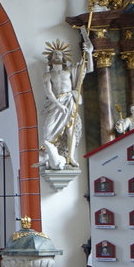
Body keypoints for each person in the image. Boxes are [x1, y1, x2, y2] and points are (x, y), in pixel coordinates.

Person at [39, 37, 92, 169]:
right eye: (55, 53)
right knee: (47, 131)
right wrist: (58, 105)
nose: (57, 55)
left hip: (69, 100)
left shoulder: (69, 71)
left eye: (60, 53)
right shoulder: (48, 75)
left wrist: (90, 53)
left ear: (63, 57)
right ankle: (47, 156)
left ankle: (71, 157)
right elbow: (48, 92)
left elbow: (88, 69)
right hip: (56, 103)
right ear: (50, 58)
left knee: (70, 130)